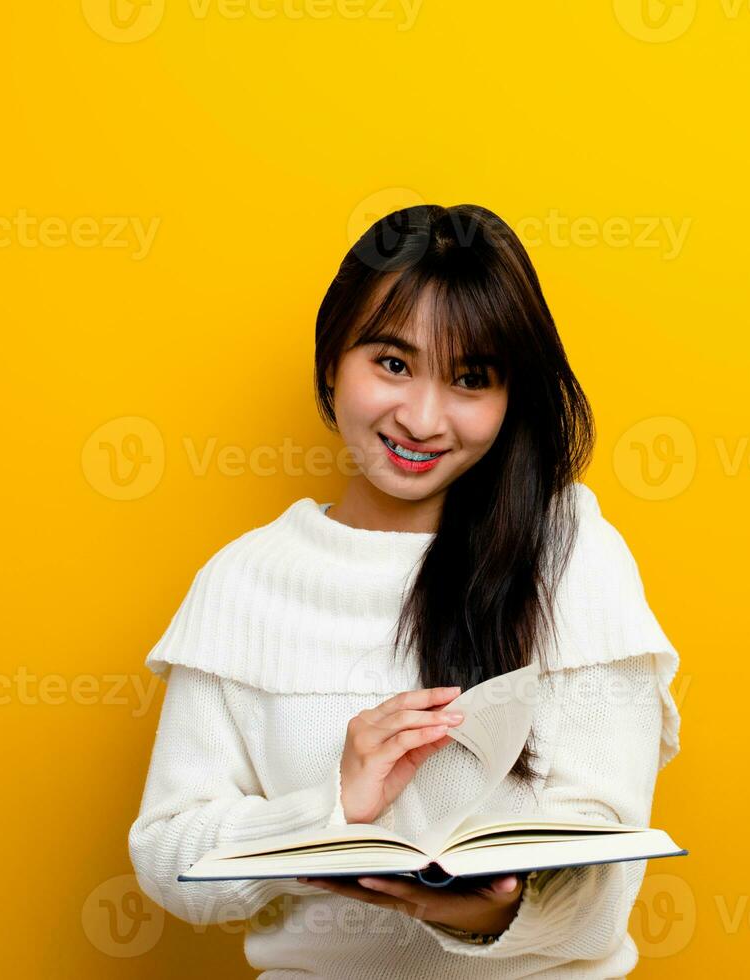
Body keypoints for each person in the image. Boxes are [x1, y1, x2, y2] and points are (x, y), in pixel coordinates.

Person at [128, 203, 682, 978]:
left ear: (508, 398)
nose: (422, 419)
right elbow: (167, 863)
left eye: (469, 379)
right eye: (391, 363)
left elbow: (605, 893)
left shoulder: (569, 555)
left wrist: (490, 911)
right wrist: (330, 807)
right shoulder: (242, 581)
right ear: (331, 364)